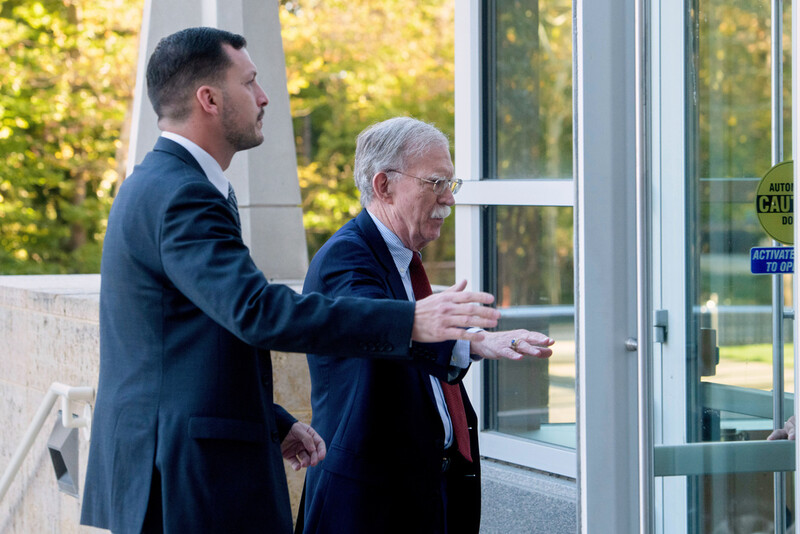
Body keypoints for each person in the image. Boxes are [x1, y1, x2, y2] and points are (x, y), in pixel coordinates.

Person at [80, 28, 500, 534]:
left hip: (175, 464)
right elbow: (256, 311)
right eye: (250, 82)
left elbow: (190, 342)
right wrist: (410, 319)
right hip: (183, 476)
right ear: (209, 99)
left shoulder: (158, 184)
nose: (263, 97)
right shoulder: (182, 195)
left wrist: (273, 421)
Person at [298, 117, 555, 534]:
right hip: (368, 507)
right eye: (435, 183)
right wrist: (473, 343)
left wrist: (478, 341)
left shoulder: (401, 258)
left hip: (427, 494)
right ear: (384, 186)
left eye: (451, 185)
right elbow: (380, 327)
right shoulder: (346, 258)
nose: (448, 200)